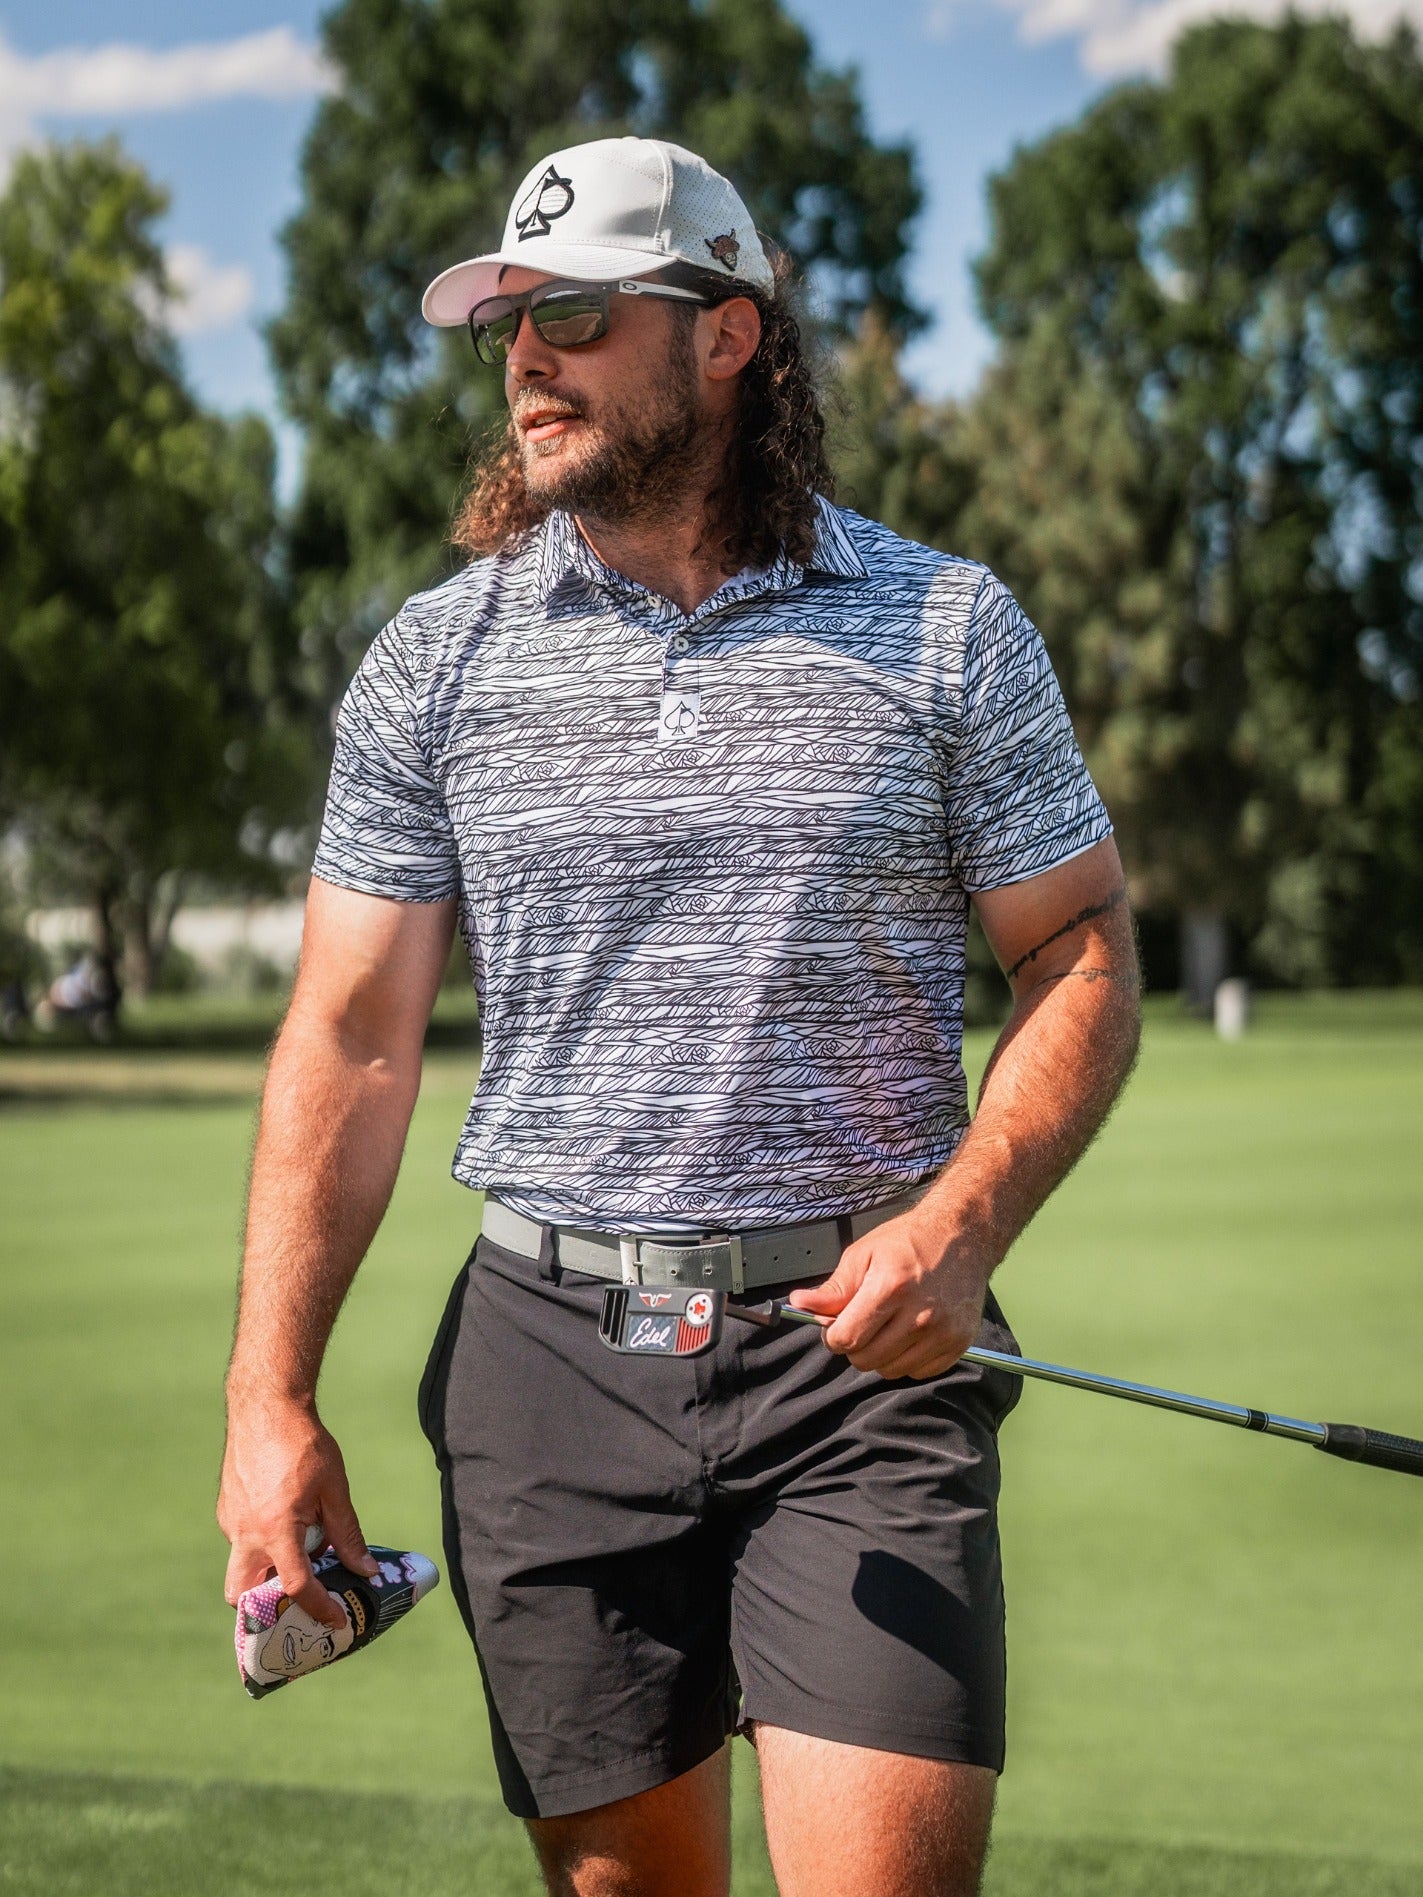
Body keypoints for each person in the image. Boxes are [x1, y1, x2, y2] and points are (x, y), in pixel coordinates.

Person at [219, 137, 1140, 1897]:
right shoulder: (437, 659)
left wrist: (967, 1218)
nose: (525, 358)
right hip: (549, 1370)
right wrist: (271, 1397)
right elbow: (345, 1040)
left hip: (863, 1366)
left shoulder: (946, 629)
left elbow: (1080, 947)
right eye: (505, 318)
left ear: (726, 337)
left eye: (572, 310)